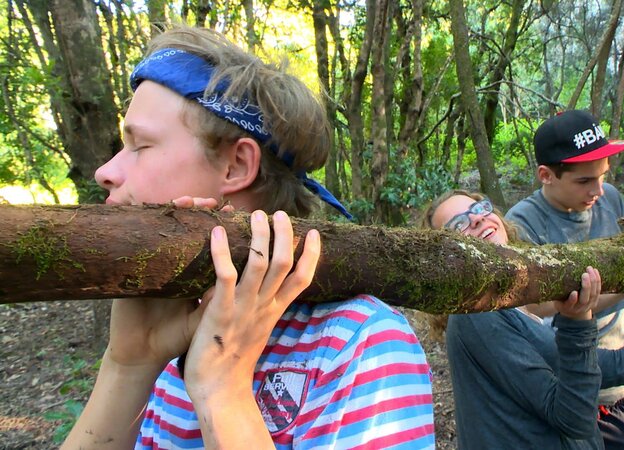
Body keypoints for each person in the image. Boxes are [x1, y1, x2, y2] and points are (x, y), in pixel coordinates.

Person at [64, 27, 434, 449]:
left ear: (236, 166)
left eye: (141, 145)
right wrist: (128, 364)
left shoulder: (357, 343)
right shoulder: (169, 348)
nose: (105, 171)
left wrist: (223, 388)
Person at [425, 190, 624, 449]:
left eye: (479, 207)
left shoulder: (513, 306)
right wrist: (577, 324)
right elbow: (572, 419)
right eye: (458, 224)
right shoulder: (475, 318)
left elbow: (616, 368)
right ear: (447, 256)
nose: (478, 218)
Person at [506, 109, 624, 448]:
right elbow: (535, 308)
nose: (597, 190)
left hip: (618, 385)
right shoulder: (522, 224)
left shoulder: (610, 199)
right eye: (583, 181)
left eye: (603, 176)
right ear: (546, 175)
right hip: (566, 389)